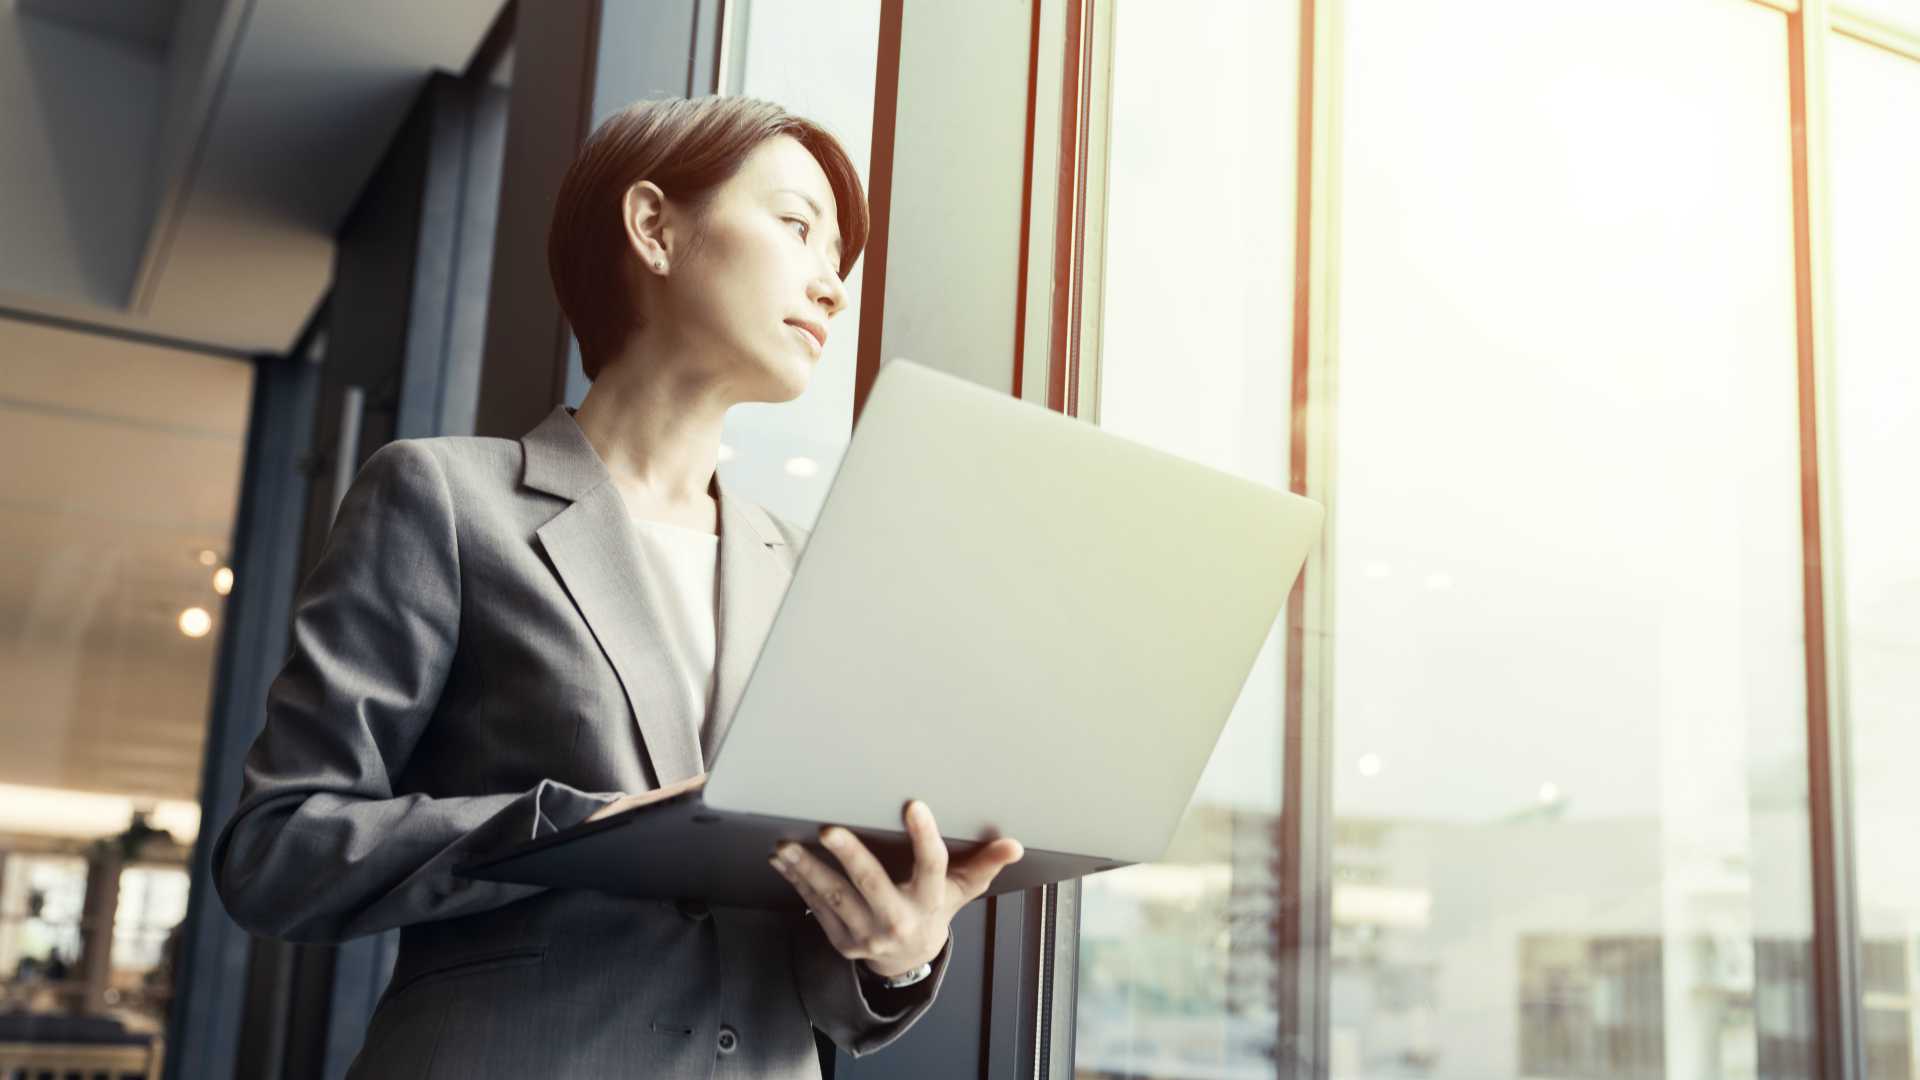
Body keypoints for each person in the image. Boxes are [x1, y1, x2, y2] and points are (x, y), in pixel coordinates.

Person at [210, 95, 1025, 1078]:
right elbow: (277, 852)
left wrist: (897, 950)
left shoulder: (807, 569)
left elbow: (804, 961)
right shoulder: (446, 498)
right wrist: (572, 829)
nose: (832, 287)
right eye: (798, 227)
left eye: (839, 261)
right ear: (654, 227)